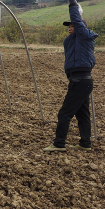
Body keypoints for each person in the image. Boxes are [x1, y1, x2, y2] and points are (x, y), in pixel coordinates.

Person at [43, 0, 98, 152]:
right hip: (79, 81)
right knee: (82, 114)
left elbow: (78, 25)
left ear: (80, 25)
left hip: (81, 81)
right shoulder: (71, 41)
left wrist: (72, 4)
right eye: (69, 26)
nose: (70, 27)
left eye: (72, 25)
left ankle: (59, 143)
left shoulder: (84, 36)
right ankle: (85, 143)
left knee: (64, 113)